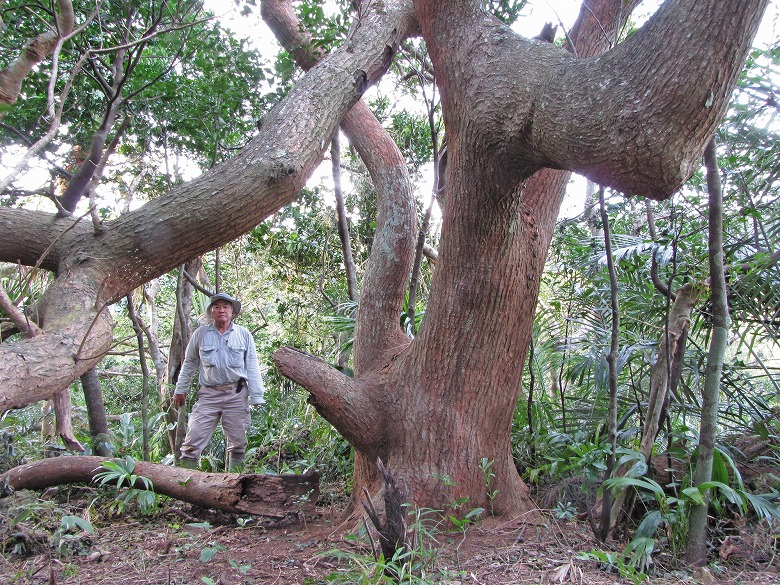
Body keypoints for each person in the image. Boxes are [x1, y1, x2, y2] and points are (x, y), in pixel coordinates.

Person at [173, 292, 264, 472]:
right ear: (211, 312)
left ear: (232, 312)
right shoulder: (200, 334)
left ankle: (234, 485)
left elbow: (252, 364)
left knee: (238, 444)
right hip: (209, 394)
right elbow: (189, 363)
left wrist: (257, 396)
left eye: (226, 307)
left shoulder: (243, 334)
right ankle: (185, 487)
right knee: (192, 442)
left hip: (236, 394)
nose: (221, 310)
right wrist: (180, 389)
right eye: (217, 307)